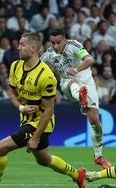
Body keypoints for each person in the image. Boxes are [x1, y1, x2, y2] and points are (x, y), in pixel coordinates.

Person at [0, 32, 86, 188]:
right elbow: (12, 93)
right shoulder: (15, 66)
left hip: (41, 123)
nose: (18, 47)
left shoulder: (46, 75)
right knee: (44, 159)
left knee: (0, 148)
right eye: (19, 44)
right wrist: (21, 107)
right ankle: (78, 174)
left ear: (33, 48)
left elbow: (49, 110)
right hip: (26, 119)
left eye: (22, 44)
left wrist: (35, 137)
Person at [40, 28, 112, 169]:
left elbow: (89, 59)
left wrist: (76, 69)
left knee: (95, 121)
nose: (55, 46)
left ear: (65, 40)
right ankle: (80, 94)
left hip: (86, 81)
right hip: (67, 83)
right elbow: (37, 67)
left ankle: (98, 156)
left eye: (58, 43)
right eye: (53, 43)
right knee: (71, 82)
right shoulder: (49, 54)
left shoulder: (74, 45)